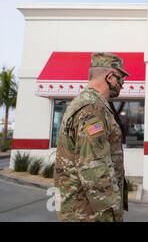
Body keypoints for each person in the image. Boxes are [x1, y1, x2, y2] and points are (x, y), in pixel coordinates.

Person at [54, 52, 129, 222]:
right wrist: (112, 215)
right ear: (110, 77)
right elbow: (95, 169)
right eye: (121, 78)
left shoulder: (85, 103)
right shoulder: (92, 109)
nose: (123, 84)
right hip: (89, 214)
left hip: (81, 210)